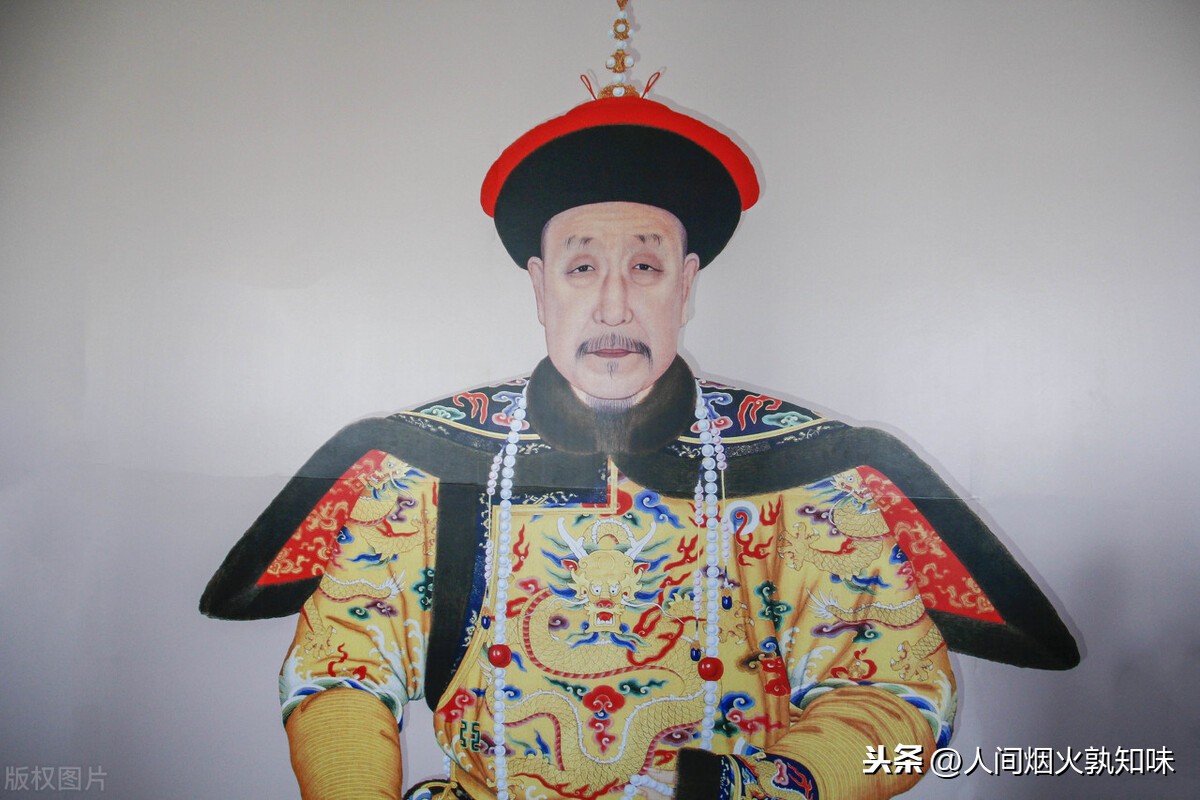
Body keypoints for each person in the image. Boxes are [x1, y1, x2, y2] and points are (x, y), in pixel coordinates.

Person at [201, 28, 1077, 800]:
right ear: (541, 288)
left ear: (686, 287)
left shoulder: (802, 476)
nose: (614, 306)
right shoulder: (427, 469)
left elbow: (893, 694)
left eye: (646, 269)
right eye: (582, 268)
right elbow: (341, 672)